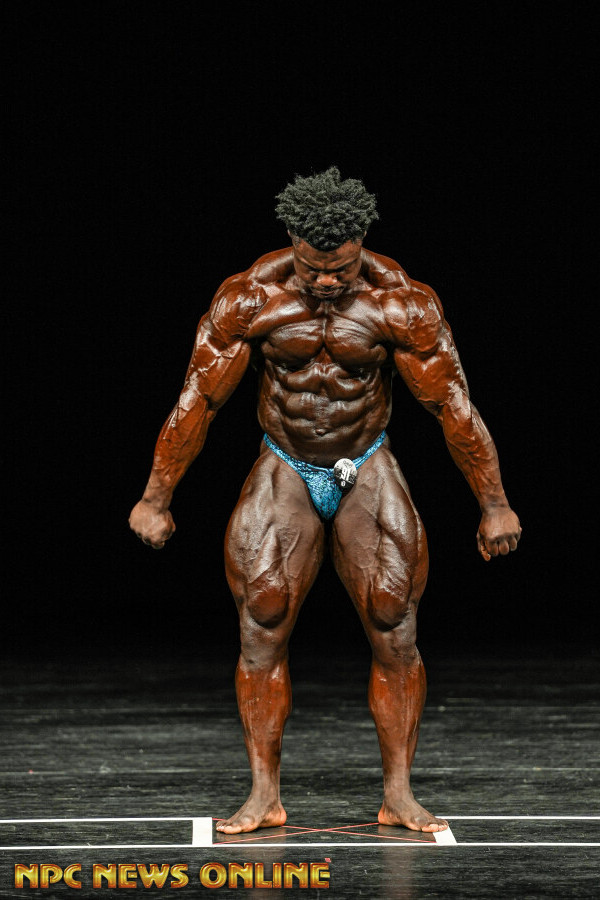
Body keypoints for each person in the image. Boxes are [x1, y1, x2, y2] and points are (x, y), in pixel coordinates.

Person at [129, 167, 521, 834]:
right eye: (314, 268)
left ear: (362, 243)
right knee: (262, 618)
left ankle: (398, 795)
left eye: (341, 268)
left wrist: (494, 503)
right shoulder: (249, 300)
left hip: (364, 461)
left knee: (395, 618)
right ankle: (264, 796)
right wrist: (155, 496)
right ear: (292, 241)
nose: (328, 282)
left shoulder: (401, 305)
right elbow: (200, 399)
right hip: (285, 461)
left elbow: (451, 405)